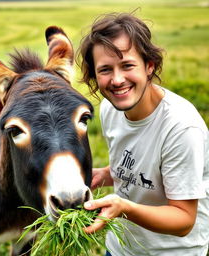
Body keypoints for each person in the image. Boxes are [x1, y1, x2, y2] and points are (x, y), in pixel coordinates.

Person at [77, 12, 209, 256]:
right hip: (119, 247)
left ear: (149, 66)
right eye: (105, 69)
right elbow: (139, 168)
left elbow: (184, 220)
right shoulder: (110, 109)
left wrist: (123, 207)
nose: (117, 80)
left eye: (127, 65)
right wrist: (105, 175)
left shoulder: (181, 128)